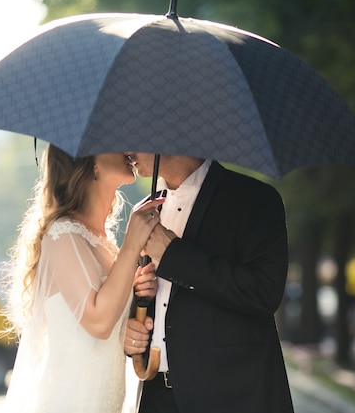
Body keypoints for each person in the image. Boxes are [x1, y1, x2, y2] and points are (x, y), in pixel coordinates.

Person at [123, 153, 294, 413]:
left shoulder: (255, 200)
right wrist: (135, 319)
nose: (126, 150)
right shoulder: (145, 210)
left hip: (229, 399)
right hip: (156, 398)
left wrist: (173, 254)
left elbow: (264, 293)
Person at [0, 145, 163, 412]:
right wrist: (132, 245)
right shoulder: (62, 234)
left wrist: (133, 309)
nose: (125, 148)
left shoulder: (105, 244)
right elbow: (98, 322)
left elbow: (103, 331)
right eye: (111, 143)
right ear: (91, 164)